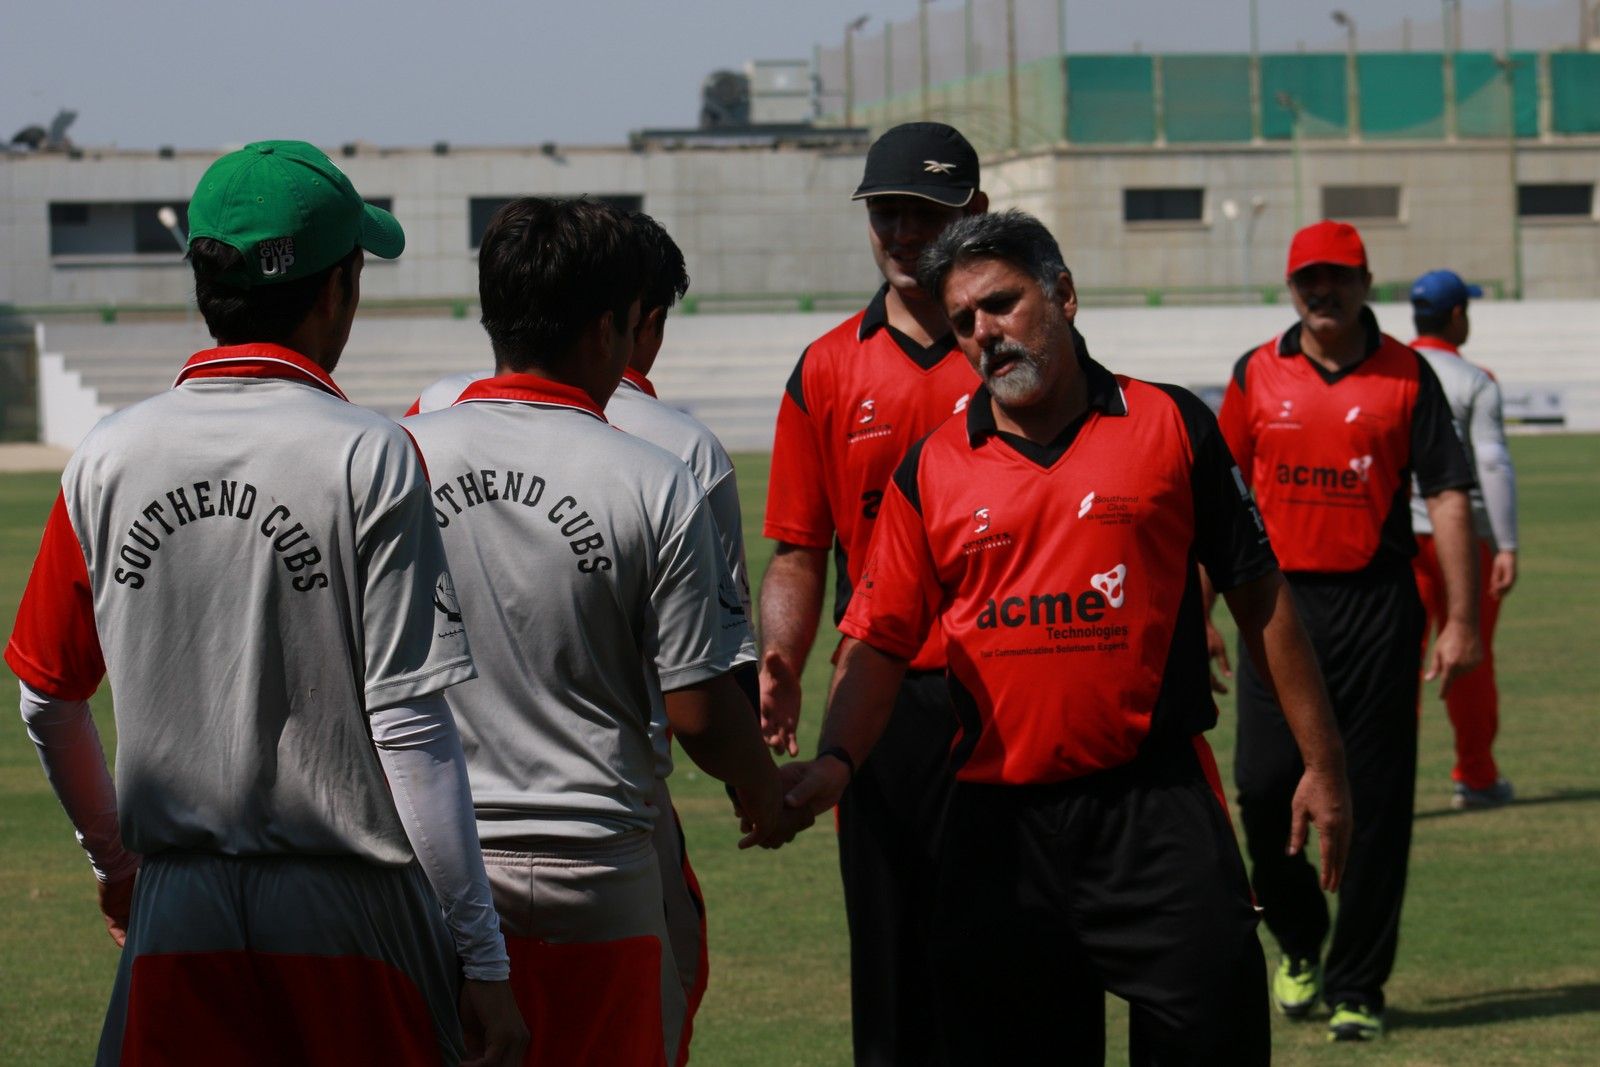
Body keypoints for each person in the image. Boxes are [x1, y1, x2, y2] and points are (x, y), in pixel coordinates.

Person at [780, 209, 1352, 1066]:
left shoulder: (1171, 424)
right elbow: (879, 642)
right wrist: (835, 762)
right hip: (998, 831)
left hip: (1155, 810)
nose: (984, 333)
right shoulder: (932, 467)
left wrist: (1322, 763)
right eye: (963, 320)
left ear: (1064, 295)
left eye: (1001, 304)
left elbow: (1259, 596)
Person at [5, 140, 526, 1066]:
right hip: (348, 910)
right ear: (337, 289)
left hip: (177, 905)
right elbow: (410, 725)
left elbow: (47, 697)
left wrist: (117, 866)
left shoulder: (106, 455)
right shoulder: (369, 453)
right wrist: (482, 954)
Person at [403, 197, 800, 1067]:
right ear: (609, 329)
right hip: (598, 860)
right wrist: (763, 790)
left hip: (436, 854)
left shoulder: (399, 453)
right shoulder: (657, 474)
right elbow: (698, 707)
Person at [1213, 220, 1481, 1041]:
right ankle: (1300, 940)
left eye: (1337, 277)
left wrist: (1461, 617)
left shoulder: (1408, 374)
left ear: (1365, 283)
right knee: (1264, 788)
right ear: (1292, 286)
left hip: (1377, 610)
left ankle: (1359, 982)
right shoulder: (1256, 372)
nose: (1322, 291)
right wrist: (1197, 614)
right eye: (1308, 279)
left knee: (1375, 802)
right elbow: (1217, 501)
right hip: (1276, 608)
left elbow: (1447, 494)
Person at [759, 121, 986, 1066]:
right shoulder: (826, 366)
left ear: (973, 214)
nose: (902, 232)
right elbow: (798, 549)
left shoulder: (1015, 350)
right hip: (879, 700)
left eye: (924, 212)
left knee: (1014, 952)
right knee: (892, 970)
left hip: (1009, 691)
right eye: (886, 212)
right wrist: (782, 659)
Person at [1408, 269, 1519, 810]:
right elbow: (1492, 465)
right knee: (1470, 659)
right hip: (1462, 539)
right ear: (1457, 315)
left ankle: (1384, 780)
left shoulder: (1389, 370)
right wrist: (1506, 543)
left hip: (1396, 541)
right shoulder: (1475, 379)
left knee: (1390, 666)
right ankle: (1475, 776)